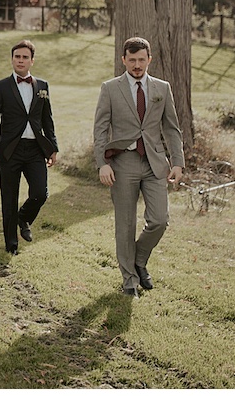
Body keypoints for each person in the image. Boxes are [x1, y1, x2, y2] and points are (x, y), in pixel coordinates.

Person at [93, 37, 184, 298]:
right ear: (123, 60)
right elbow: (100, 129)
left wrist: (177, 161)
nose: (136, 65)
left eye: (141, 59)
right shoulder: (110, 88)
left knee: (159, 220)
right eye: (131, 60)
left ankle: (139, 260)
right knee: (125, 224)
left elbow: (171, 128)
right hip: (123, 164)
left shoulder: (162, 88)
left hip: (155, 163)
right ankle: (129, 279)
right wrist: (102, 163)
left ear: (149, 59)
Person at [0, 39, 58, 255]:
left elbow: (47, 119)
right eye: (17, 57)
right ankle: (11, 245)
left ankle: (24, 217)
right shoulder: (0, 87)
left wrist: (53, 147)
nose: (21, 60)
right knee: (9, 197)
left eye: (25, 57)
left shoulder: (42, 86)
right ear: (12, 59)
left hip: (35, 149)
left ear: (32, 61)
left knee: (40, 192)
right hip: (9, 150)